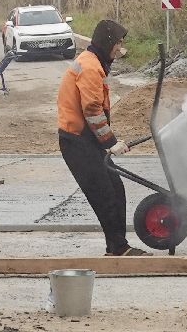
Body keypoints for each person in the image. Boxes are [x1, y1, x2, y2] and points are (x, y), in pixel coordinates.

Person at [57, 18, 146, 256]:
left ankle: (117, 246)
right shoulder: (90, 67)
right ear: (106, 43)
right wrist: (111, 143)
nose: (120, 48)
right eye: (117, 43)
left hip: (85, 140)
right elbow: (92, 111)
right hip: (76, 141)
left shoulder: (95, 62)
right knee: (105, 195)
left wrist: (107, 142)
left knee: (116, 190)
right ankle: (118, 248)